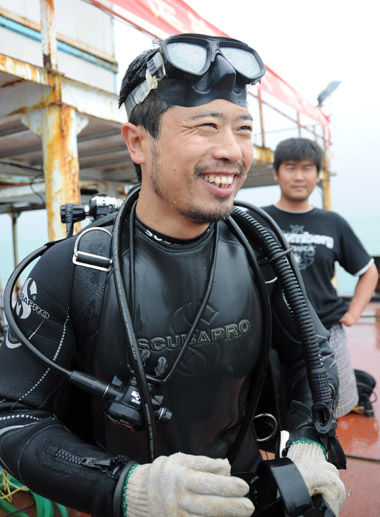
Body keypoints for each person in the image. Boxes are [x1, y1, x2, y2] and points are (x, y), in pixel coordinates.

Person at [0, 35, 346, 517]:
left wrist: (309, 443)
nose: (232, 151)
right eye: (205, 126)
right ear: (138, 142)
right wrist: (127, 488)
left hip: (249, 497)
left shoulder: (260, 251)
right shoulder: (76, 270)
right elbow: (13, 416)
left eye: (242, 129)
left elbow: (315, 359)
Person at [263, 137, 378, 417]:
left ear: (318, 174)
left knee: (334, 406)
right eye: (290, 167)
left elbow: (368, 272)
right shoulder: (260, 220)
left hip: (325, 330)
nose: (299, 176)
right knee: (276, 406)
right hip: (271, 334)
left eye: (308, 168)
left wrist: (353, 314)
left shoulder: (333, 223)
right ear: (277, 173)